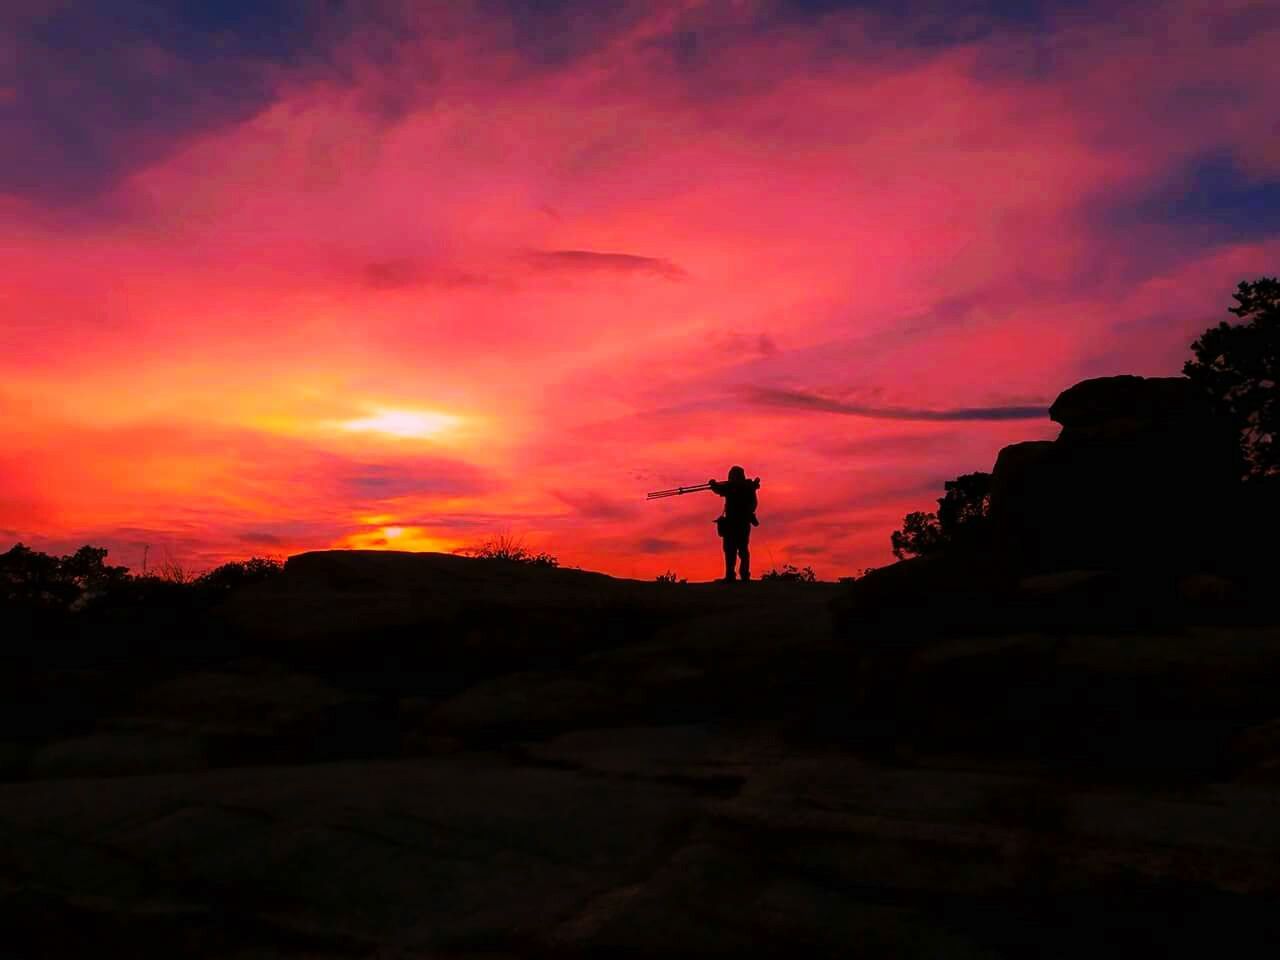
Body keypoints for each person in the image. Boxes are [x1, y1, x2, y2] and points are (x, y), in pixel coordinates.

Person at [708, 466, 760, 581]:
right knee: (736, 549)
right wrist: (714, 485)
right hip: (740, 523)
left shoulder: (737, 487)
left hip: (737, 523)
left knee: (735, 549)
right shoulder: (747, 487)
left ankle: (737, 575)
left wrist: (713, 484)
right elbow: (720, 489)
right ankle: (737, 575)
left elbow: (719, 489)